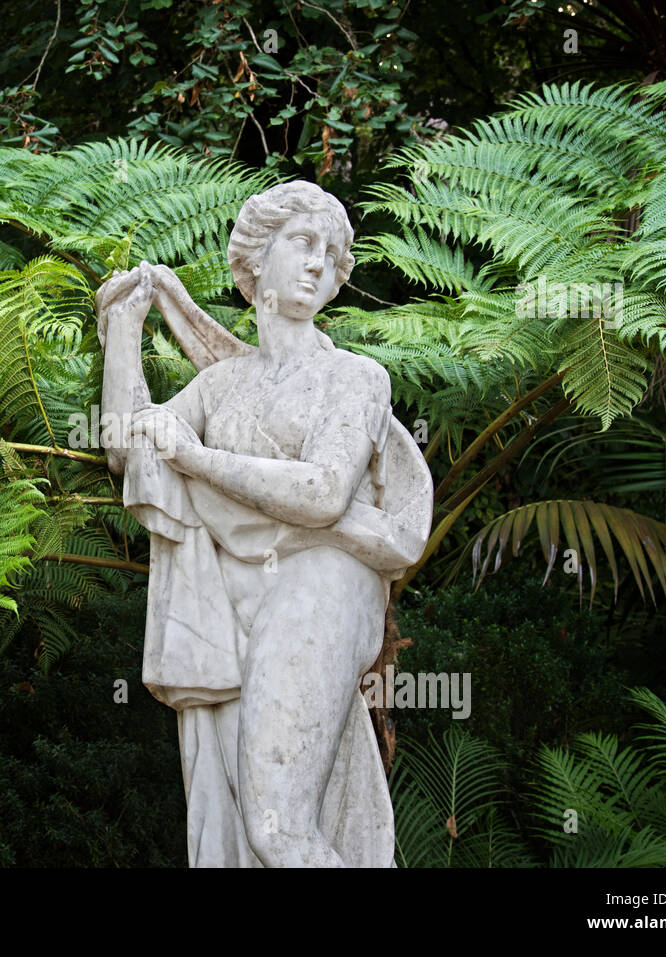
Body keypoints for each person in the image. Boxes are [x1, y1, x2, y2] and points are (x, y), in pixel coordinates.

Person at [95, 181, 432, 867]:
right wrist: (125, 329)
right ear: (256, 257)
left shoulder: (354, 377)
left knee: (276, 827)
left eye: (331, 252)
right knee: (250, 825)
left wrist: (198, 456)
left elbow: (324, 493)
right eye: (303, 243)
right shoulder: (223, 386)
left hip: (325, 579)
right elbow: (129, 448)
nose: (318, 261)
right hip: (235, 593)